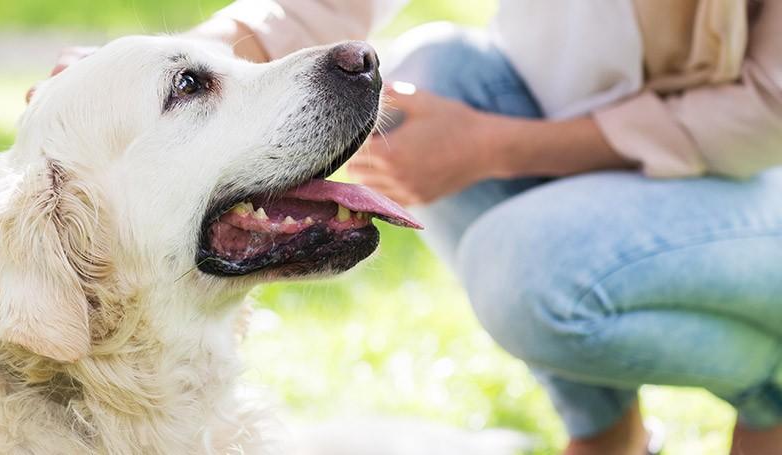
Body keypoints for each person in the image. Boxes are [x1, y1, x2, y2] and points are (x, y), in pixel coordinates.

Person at [45, 1, 782, 453]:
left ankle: (771, 394)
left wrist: (494, 146)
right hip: (629, 154)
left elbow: (770, 104)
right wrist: (137, 72)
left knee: (524, 266)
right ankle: (608, 432)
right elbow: (321, 4)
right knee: (439, 70)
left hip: (758, 175)